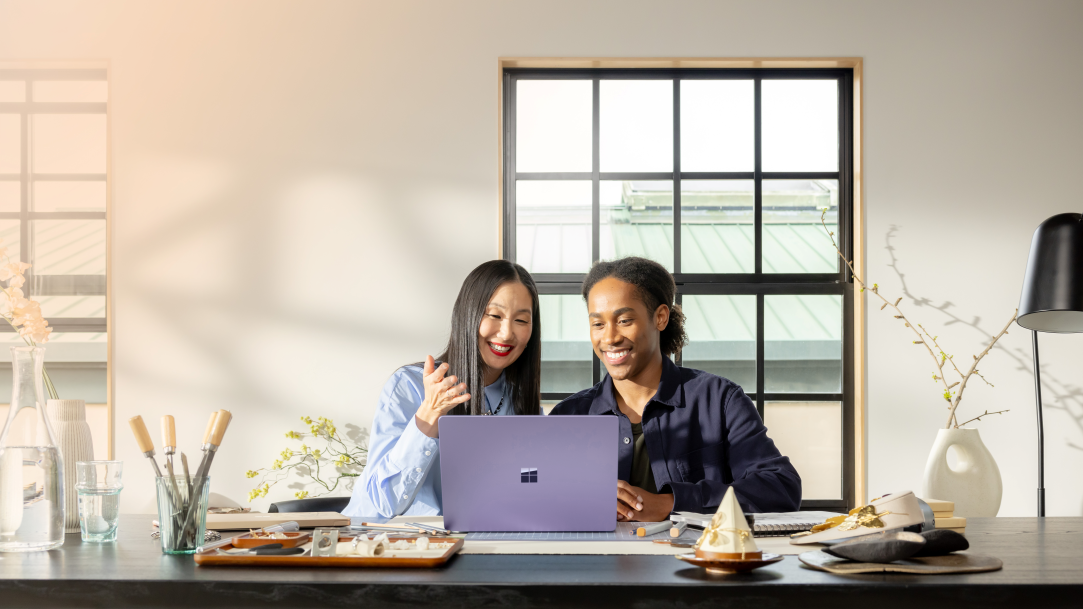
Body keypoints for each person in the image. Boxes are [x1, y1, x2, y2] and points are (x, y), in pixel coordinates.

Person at [551, 256, 801, 521]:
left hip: (694, 561)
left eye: (624, 320)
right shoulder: (569, 415)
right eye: (598, 324)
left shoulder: (719, 401)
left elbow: (780, 487)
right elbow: (539, 499)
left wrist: (670, 503)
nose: (610, 337)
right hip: (592, 560)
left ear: (660, 317)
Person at [344, 260, 542, 518]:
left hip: (476, 546)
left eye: (521, 320)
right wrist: (429, 415)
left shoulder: (522, 402)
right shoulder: (408, 386)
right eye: (494, 315)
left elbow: (526, 488)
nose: (506, 333)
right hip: (389, 546)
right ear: (468, 315)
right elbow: (381, 504)